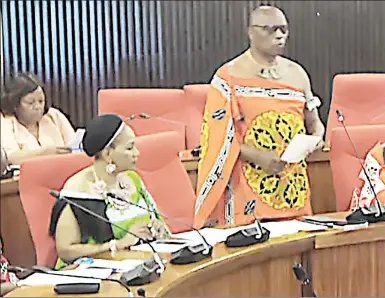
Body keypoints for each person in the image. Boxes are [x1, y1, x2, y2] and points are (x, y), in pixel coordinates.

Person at [194, 6, 325, 228]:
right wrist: (258, 156)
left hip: (292, 186)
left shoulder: (298, 74)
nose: (279, 35)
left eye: (283, 29)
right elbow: (217, 138)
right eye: (270, 29)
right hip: (246, 187)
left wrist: (315, 140)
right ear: (251, 32)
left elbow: (315, 123)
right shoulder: (228, 77)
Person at [49, 114, 169, 269]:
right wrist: (117, 244)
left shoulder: (133, 179)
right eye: (129, 148)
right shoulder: (79, 191)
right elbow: (66, 250)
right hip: (95, 272)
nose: (137, 153)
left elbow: (158, 222)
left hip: (141, 263)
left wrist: (157, 228)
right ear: (107, 154)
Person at [1, 72, 74, 165]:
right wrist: (44, 153)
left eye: (41, 101)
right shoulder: (6, 123)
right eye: (31, 102)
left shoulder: (54, 116)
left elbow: (74, 145)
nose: (37, 106)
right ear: (15, 105)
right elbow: (10, 158)